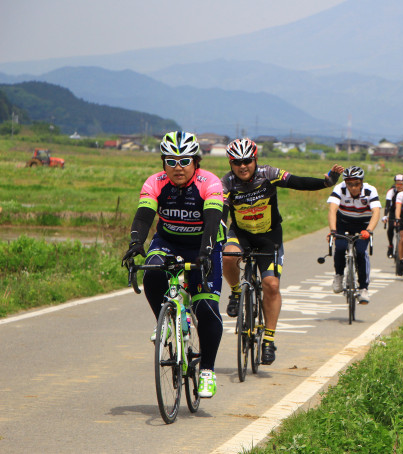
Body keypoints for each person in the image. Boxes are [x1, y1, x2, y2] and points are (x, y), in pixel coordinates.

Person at [221, 138, 343, 365]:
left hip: (269, 237)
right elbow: (220, 210)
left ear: (255, 159)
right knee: (228, 255)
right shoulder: (226, 182)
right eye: (237, 162)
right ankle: (236, 292)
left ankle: (268, 339)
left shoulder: (268, 173)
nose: (243, 166)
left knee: (272, 285)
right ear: (231, 163)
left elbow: (298, 181)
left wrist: (326, 182)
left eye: (247, 160)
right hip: (242, 235)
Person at [122, 130, 224, 399]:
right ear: (163, 162)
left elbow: (213, 220)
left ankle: (207, 371)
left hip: (204, 244)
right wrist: (135, 243)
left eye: (184, 161)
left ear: (196, 161)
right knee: (153, 271)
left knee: (206, 307)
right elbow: (144, 215)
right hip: (168, 241)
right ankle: (164, 320)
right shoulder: (155, 182)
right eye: (171, 161)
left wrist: (206, 252)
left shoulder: (209, 183)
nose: (178, 168)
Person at [327, 166, 381, 304]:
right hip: (343, 222)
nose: (353, 188)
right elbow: (333, 210)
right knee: (339, 247)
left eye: (357, 184)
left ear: (362, 182)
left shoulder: (370, 190)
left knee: (361, 253)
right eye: (350, 184)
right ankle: (339, 275)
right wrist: (333, 231)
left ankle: (363, 288)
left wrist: (369, 230)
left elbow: (376, 212)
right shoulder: (339, 189)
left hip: (363, 225)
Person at [382, 174, 403, 258]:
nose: (399, 186)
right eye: (397, 184)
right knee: (391, 227)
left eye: (401, 184)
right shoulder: (391, 191)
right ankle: (391, 245)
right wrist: (385, 216)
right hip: (393, 211)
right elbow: (387, 205)